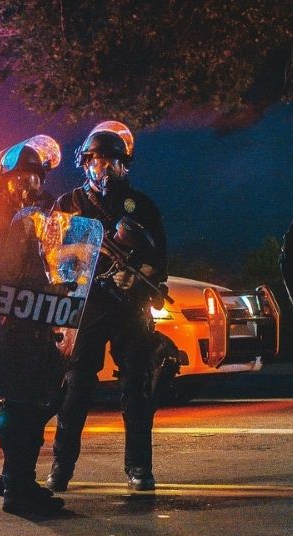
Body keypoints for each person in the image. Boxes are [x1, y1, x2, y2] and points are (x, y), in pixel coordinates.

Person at [48, 122, 168, 492]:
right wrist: (90, 275)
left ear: (124, 165)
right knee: (76, 389)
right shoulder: (69, 204)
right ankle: (61, 469)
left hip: (130, 308)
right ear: (84, 163)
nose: (104, 167)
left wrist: (140, 274)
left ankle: (139, 468)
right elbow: (52, 256)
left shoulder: (141, 205)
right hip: (87, 308)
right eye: (97, 160)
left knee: (137, 389)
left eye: (113, 161)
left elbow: (159, 257)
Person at [0, 136, 66, 515]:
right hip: (9, 328)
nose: (30, 186)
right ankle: (18, 490)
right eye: (21, 179)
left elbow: (53, 268)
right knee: (19, 405)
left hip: (40, 322)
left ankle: (16, 477)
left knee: (43, 400)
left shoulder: (37, 221)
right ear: (1, 180)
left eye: (36, 180)